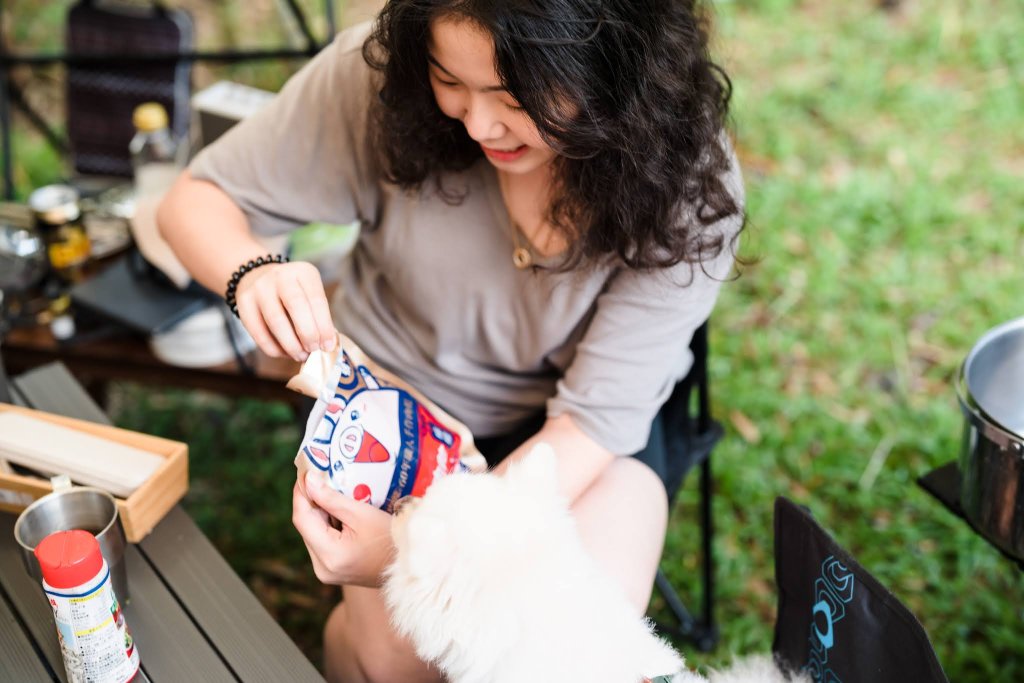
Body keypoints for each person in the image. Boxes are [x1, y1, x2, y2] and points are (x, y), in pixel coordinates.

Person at [157, 1, 745, 681]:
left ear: (615, 66)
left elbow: (592, 425)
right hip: (399, 403)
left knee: (571, 655)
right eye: (451, 81)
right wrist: (251, 273)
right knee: (401, 661)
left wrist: (415, 558)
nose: (480, 122)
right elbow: (194, 202)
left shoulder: (686, 175)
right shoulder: (376, 81)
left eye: (516, 95)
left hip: (587, 433)